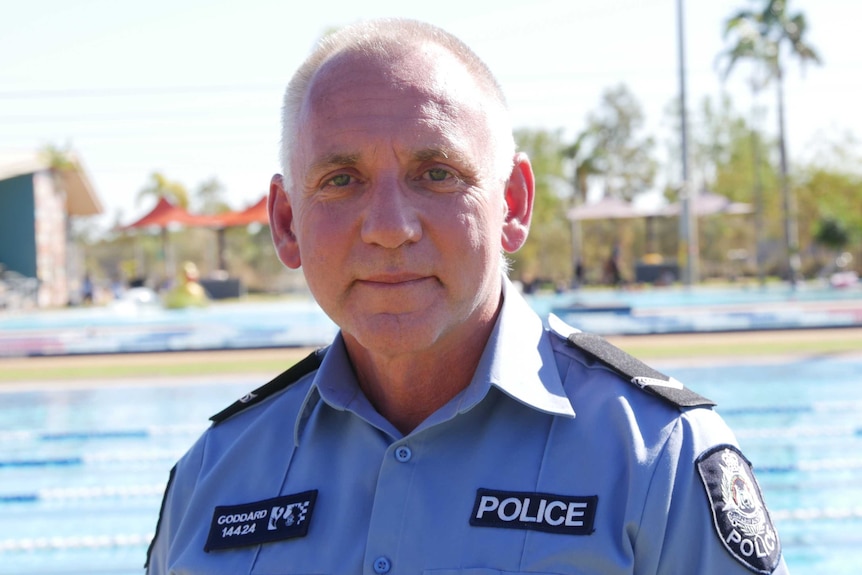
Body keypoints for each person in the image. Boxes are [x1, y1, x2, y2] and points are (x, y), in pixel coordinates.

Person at [145, 18, 788, 575]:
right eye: (342, 180)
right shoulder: (213, 476)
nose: (390, 227)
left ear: (512, 203)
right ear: (287, 222)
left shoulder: (660, 460)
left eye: (437, 174)